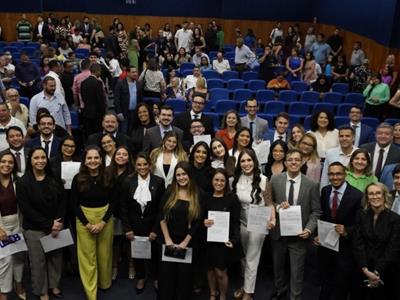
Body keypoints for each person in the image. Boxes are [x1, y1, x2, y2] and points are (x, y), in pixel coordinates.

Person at [270, 149, 321, 300]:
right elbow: (268, 204)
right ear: (285, 163)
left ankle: (295, 297)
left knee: (297, 271)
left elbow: (316, 211)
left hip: (299, 235)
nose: (293, 162)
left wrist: (309, 229)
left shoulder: (312, 184)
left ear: (302, 162)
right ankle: (280, 291)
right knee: (278, 268)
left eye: (297, 160)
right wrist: (278, 207)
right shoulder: (275, 180)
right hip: (278, 233)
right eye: (290, 159)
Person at [17, 147, 65, 300]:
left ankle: (54, 285)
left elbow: (63, 201)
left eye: (43, 157)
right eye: (36, 158)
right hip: (35, 229)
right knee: (38, 262)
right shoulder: (23, 182)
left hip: (56, 226)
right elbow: (26, 209)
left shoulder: (54, 177)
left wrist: (58, 221)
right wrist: (49, 224)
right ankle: (42, 291)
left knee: (55, 258)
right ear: (30, 161)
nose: (40, 161)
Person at [70, 146, 114, 300]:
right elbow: (74, 204)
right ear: (84, 161)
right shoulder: (78, 179)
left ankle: (104, 283)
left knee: (104, 254)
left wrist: (103, 222)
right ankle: (91, 293)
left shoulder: (108, 176)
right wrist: (87, 224)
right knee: (87, 257)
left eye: (96, 158)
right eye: (89, 158)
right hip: (84, 219)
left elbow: (113, 202)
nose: (93, 161)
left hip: (105, 219)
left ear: (101, 160)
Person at [232, 148, 275, 300]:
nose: (246, 163)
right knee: (243, 257)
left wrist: (272, 220)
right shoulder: (235, 179)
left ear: (255, 161)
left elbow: (270, 204)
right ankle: (245, 285)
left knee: (252, 257)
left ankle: (248, 293)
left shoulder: (263, 179)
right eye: (243, 161)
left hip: (258, 223)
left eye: (249, 160)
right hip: (242, 223)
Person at [316, 162, 363, 300]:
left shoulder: (357, 195)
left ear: (345, 175)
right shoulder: (325, 191)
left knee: (341, 284)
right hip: (326, 246)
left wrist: (347, 230)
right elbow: (323, 216)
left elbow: (360, 224)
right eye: (331, 174)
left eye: (338, 173)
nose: (335, 177)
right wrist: (318, 235)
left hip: (345, 248)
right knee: (325, 280)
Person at [120, 153, 165, 293]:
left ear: (150, 165)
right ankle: (140, 277)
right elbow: (123, 207)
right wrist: (127, 228)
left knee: (155, 253)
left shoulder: (159, 181)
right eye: (139, 164)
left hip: (152, 224)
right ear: (135, 166)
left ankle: (156, 277)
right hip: (134, 225)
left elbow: (161, 208)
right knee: (138, 253)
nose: (142, 167)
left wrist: (155, 229)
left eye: (145, 164)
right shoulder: (128, 181)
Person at [158, 161, 203, 300]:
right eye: (178, 175)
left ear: (189, 175)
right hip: (169, 241)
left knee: (185, 280)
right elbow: (161, 216)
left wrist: (185, 242)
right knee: (167, 279)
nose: (181, 177)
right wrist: (167, 239)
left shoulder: (198, 194)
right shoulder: (170, 191)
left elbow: (197, 222)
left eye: (184, 174)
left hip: (188, 243)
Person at [353, 182, 400, 299]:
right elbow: (357, 243)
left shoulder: (395, 219)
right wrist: (364, 269)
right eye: (371, 194)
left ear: (384, 195)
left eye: (378, 193)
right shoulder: (360, 215)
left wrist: (376, 272)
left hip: (386, 271)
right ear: (367, 198)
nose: (375, 196)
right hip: (362, 269)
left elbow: (393, 248)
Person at [204, 168, 242, 300]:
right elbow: (199, 219)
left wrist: (234, 240)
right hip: (208, 240)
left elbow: (236, 222)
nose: (219, 183)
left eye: (222, 180)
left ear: (226, 182)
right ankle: (212, 293)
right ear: (212, 181)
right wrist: (204, 221)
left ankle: (223, 296)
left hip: (224, 242)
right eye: (216, 180)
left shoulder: (232, 198)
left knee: (220, 273)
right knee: (209, 269)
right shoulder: (206, 197)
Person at [103, 146, 135, 281]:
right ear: (114, 156)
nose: (121, 156)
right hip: (112, 213)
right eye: (118, 154)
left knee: (129, 242)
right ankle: (114, 267)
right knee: (114, 242)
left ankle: (132, 266)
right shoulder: (106, 172)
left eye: (124, 154)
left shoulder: (133, 173)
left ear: (129, 158)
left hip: (129, 212)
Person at [0, 151, 26, 300]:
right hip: (1, 226)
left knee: (18, 256)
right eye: (3, 161)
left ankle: (19, 284)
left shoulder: (18, 180)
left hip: (18, 224)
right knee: (4, 260)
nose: (6, 165)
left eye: (10, 162)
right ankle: (4, 291)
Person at [114, 66, 144, 134]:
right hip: (124, 112)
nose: (135, 74)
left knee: (133, 131)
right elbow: (117, 99)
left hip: (135, 112)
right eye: (133, 72)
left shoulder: (139, 84)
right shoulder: (120, 83)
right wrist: (119, 112)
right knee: (124, 131)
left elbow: (141, 99)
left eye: (136, 72)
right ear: (127, 73)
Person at [80, 64, 107, 136]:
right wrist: (103, 113)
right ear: (97, 71)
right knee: (98, 134)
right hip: (97, 114)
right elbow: (100, 100)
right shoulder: (98, 83)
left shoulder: (83, 83)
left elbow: (82, 98)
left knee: (89, 133)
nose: (100, 73)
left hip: (86, 112)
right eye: (100, 71)